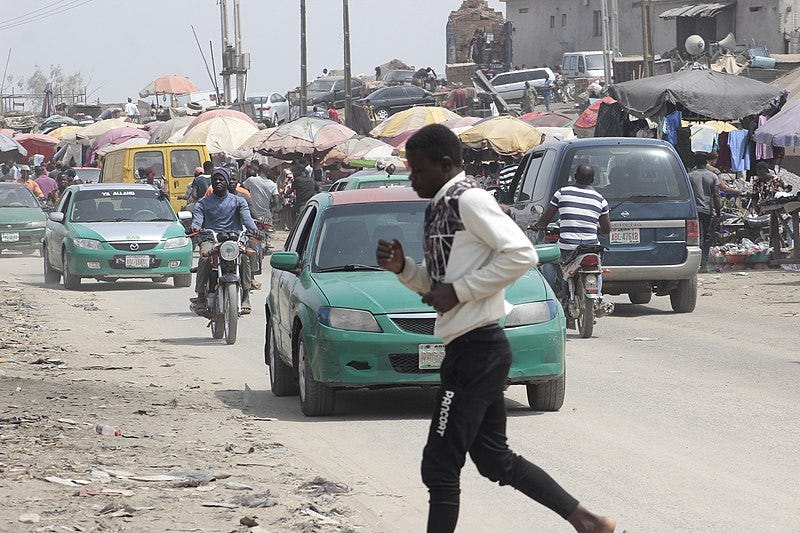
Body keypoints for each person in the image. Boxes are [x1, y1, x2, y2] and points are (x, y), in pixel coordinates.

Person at [375, 125, 616, 533]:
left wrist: (462, 291)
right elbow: (441, 287)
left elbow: (521, 253)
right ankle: (587, 520)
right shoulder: (441, 205)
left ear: (445, 164)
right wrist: (404, 269)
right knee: (493, 460)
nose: (411, 178)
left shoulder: (468, 199)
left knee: (439, 464)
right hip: (467, 348)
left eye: (417, 170)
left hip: (478, 350)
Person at [533, 164, 612, 313]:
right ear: (593, 180)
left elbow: (547, 217)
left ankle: (552, 299)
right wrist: (596, 230)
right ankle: (598, 298)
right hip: (591, 246)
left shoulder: (562, 193)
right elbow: (607, 229)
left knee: (549, 262)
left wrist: (538, 225)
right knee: (597, 268)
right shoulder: (601, 200)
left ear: (575, 177)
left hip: (567, 247)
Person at [191, 167, 257, 314]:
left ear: (228, 182)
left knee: (245, 257)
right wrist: (194, 228)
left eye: (221, 179)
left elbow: (247, 218)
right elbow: (197, 220)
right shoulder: (203, 203)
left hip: (234, 239)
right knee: (204, 258)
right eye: (215, 179)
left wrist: (254, 229)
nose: (218, 182)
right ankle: (200, 296)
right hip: (211, 238)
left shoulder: (239, 201)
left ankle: (246, 295)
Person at [687, 153, 722, 273]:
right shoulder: (712, 176)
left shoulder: (689, 176)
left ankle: (694, 264)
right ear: (706, 162)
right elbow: (716, 196)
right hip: (707, 210)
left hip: (693, 211)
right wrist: (718, 213)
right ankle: (704, 263)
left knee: (695, 237)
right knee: (706, 237)